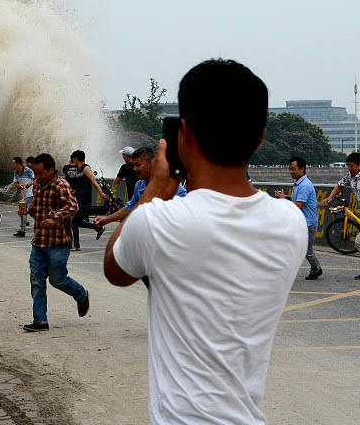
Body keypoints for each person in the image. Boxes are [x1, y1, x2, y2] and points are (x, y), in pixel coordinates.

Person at [103, 59, 306, 423]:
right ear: (259, 138)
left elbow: (116, 270)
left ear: (185, 134)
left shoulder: (156, 221)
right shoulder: (291, 223)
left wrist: (155, 191)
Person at [18, 153, 89, 332]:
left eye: (40, 173)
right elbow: (38, 209)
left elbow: (73, 206)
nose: (37, 178)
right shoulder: (38, 186)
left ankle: (81, 294)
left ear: (51, 169)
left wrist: (55, 218)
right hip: (39, 242)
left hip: (58, 243)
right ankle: (40, 320)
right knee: (37, 280)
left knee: (57, 280)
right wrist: (28, 210)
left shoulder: (61, 185)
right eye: (35, 174)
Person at [94, 146, 187, 229]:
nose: (134, 169)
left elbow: (184, 210)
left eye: (138, 165)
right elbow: (129, 207)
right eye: (134, 165)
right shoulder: (139, 185)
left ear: (151, 163)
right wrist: (105, 220)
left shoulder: (169, 184)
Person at [275, 156, 323, 280]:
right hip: (300, 223)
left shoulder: (304, 185)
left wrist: (283, 200)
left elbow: (298, 205)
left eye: (293, 169)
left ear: (302, 169)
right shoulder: (298, 184)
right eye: (290, 169)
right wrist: (285, 197)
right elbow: (297, 200)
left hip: (308, 224)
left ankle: (316, 269)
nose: (291, 172)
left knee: (308, 252)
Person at [63, 150, 111, 250]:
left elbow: (93, 180)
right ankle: (98, 228)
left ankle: (76, 245)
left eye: (73, 159)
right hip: (79, 199)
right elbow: (78, 185)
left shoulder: (85, 168)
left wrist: (101, 193)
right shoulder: (78, 170)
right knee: (79, 222)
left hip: (85, 200)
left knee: (73, 222)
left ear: (75, 159)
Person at [12, 156, 36, 237]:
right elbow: (15, 183)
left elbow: (36, 179)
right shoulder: (16, 172)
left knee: (23, 211)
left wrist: (31, 183)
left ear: (19, 164)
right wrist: (18, 185)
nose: (12, 166)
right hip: (23, 194)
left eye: (13, 164)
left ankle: (23, 231)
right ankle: (24, 229)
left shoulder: (28, 170)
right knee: (25, 212)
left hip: (30, 194)